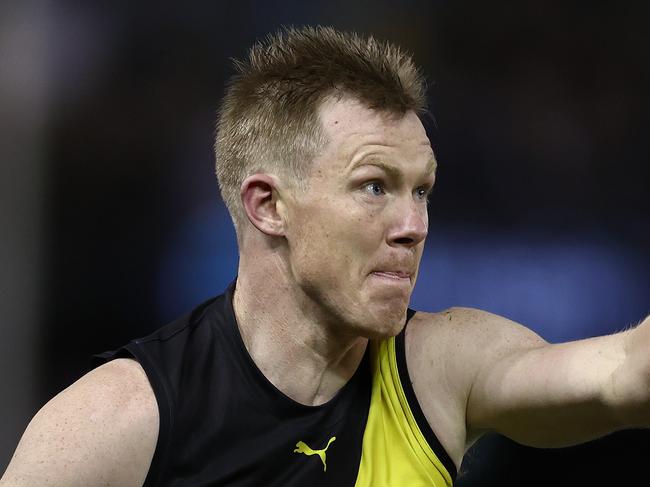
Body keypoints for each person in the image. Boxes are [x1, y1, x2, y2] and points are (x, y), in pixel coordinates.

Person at [1, 25, 648, 487]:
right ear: (268, 206)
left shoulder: (440, 368)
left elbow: (624, 373)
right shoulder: (116, 422)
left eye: (421, 189)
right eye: (375, 186)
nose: (414, 224)